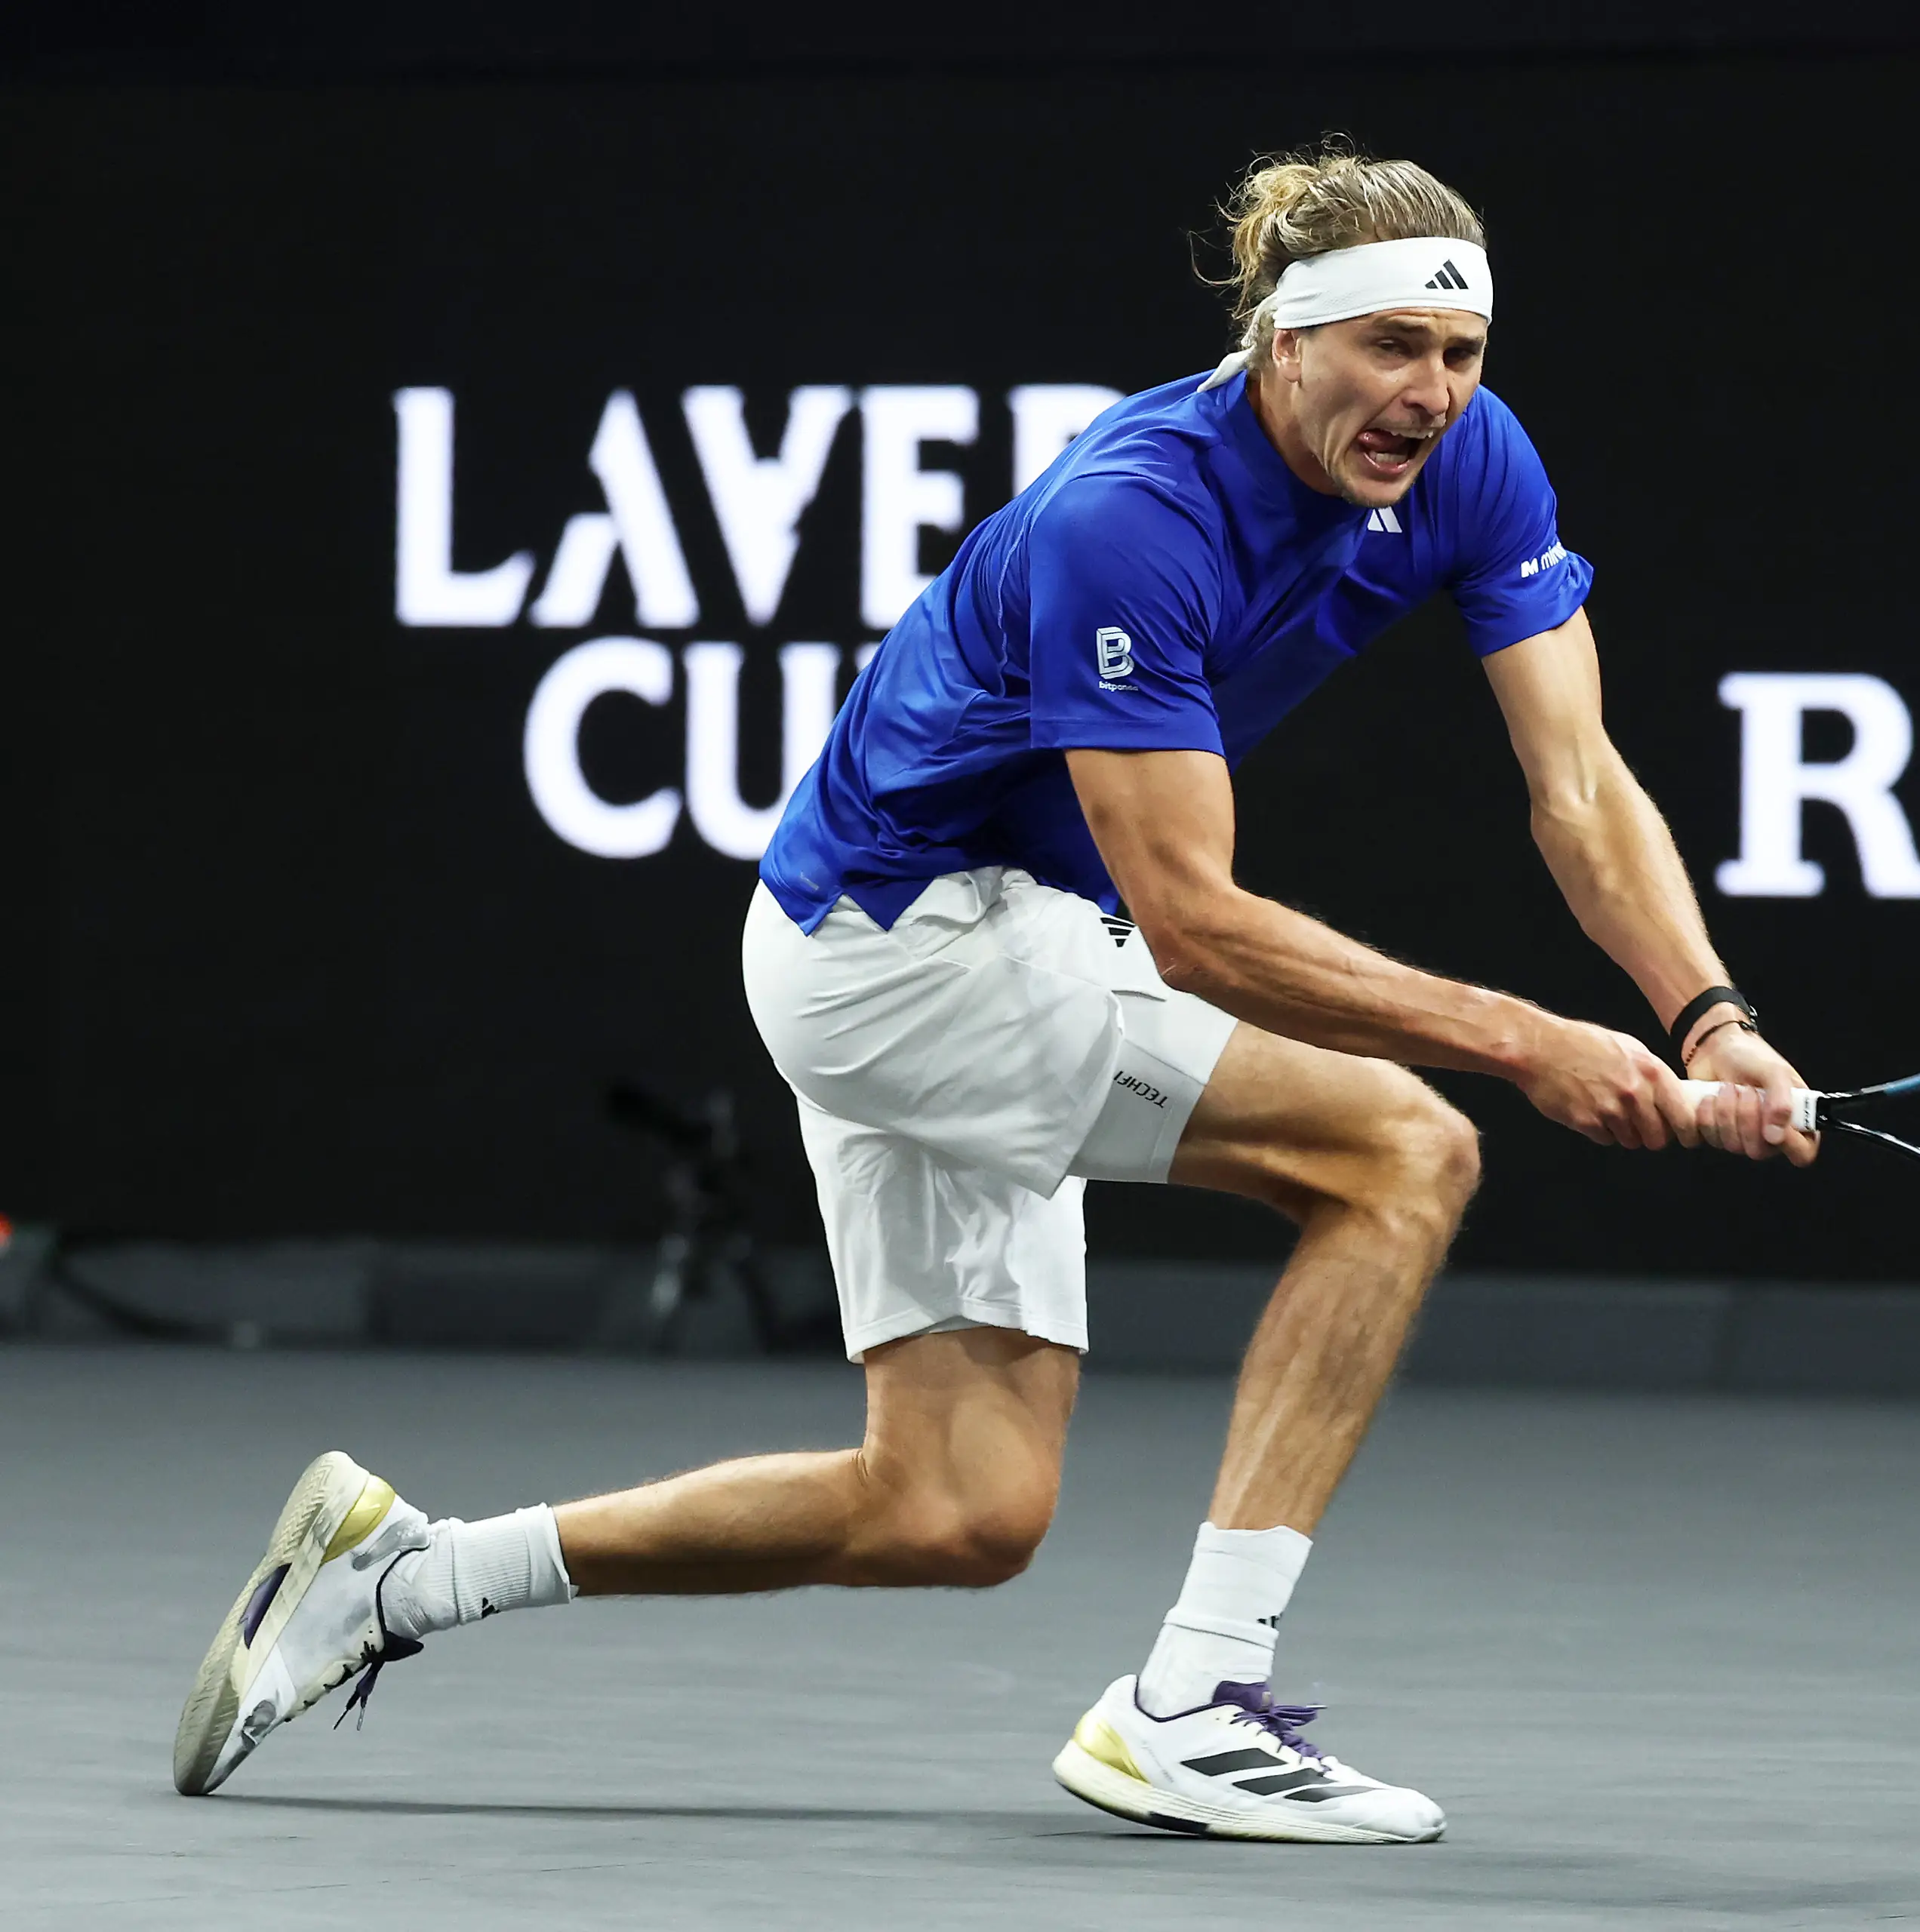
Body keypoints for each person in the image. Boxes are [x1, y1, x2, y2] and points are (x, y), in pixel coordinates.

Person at [172, 147, 1817, 1843]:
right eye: (1391, 347)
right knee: (1405, 1151)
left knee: (953, 1506)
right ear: (1282, 340)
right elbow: (1193, 921)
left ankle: (397, 1576)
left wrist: (1707, 1013)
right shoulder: (1137, 513)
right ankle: (1198, 1697)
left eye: (1462, 354)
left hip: (961, 940)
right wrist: (1524, 1036)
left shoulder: (1474, 463)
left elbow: (1582, 783)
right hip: (909, 949)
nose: (1431, 393)